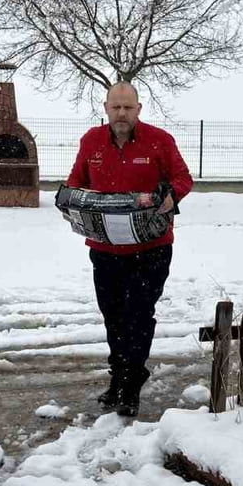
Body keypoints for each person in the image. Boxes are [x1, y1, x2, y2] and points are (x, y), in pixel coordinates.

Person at [65, 82, 193, 417]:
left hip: (151, 248)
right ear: (105, 107)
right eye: (116, 107)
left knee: (137, 315)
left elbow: (183, 179)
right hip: (105, 248)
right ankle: (118, 375)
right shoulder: (91, 141)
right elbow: (76, 180)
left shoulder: (159, 140)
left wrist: (170, 195)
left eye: (128, 108)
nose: (122, 114)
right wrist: (68, 198)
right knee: (113, 316)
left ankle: (131, 382)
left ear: (139, 108)